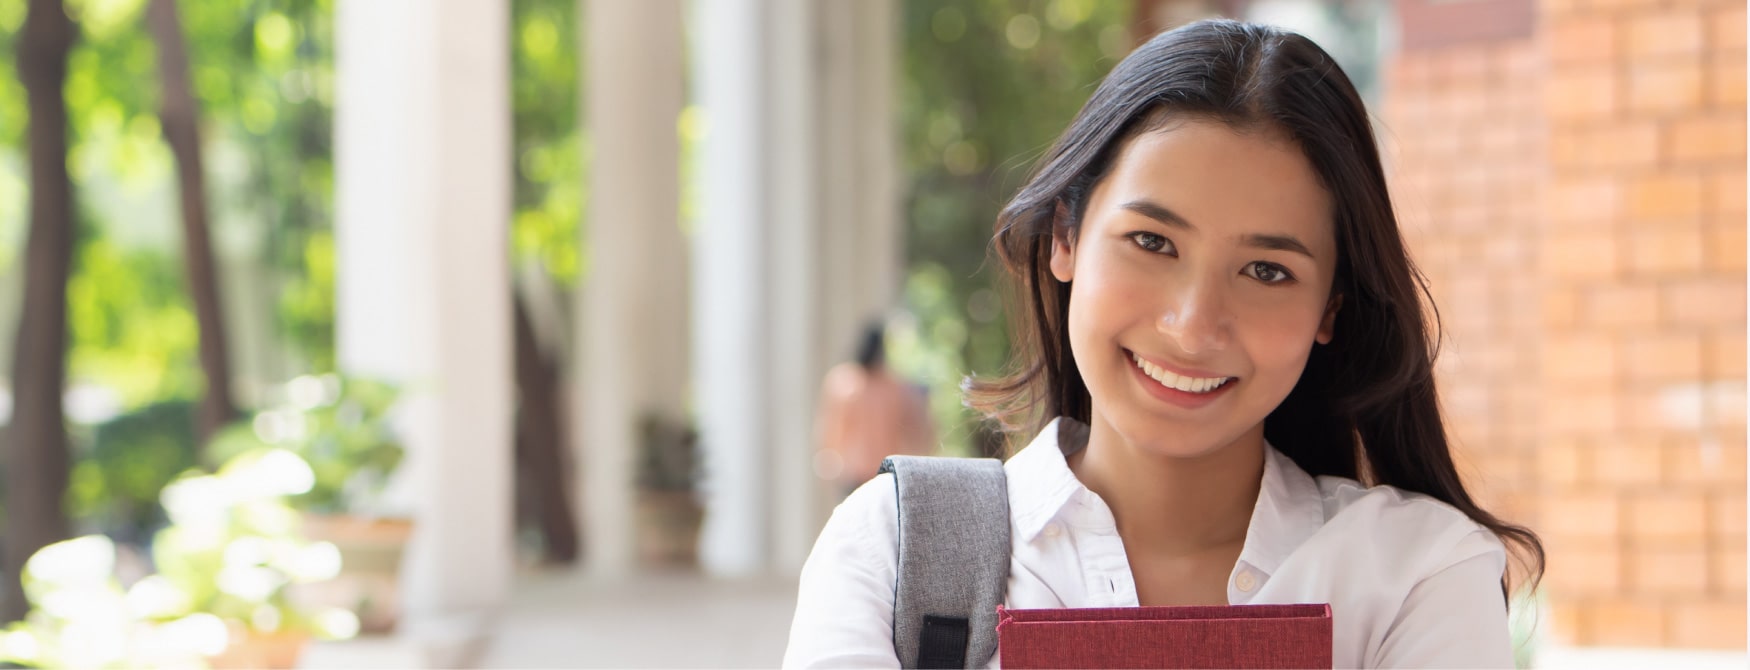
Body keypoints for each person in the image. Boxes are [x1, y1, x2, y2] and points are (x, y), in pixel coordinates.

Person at [784, 18, 1544, 669]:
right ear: (1066, 238)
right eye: (1152, 240)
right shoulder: (897, 550)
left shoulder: (1414, 574)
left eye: (1266, 270)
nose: (1193, 323)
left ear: (1330, 311)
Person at [814, 321, 937, 499]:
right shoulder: (892, 386)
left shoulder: (845, 381)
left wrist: (828, 458)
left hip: (860, 471)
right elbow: (918, 428)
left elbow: (831, 428)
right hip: (877, 472)